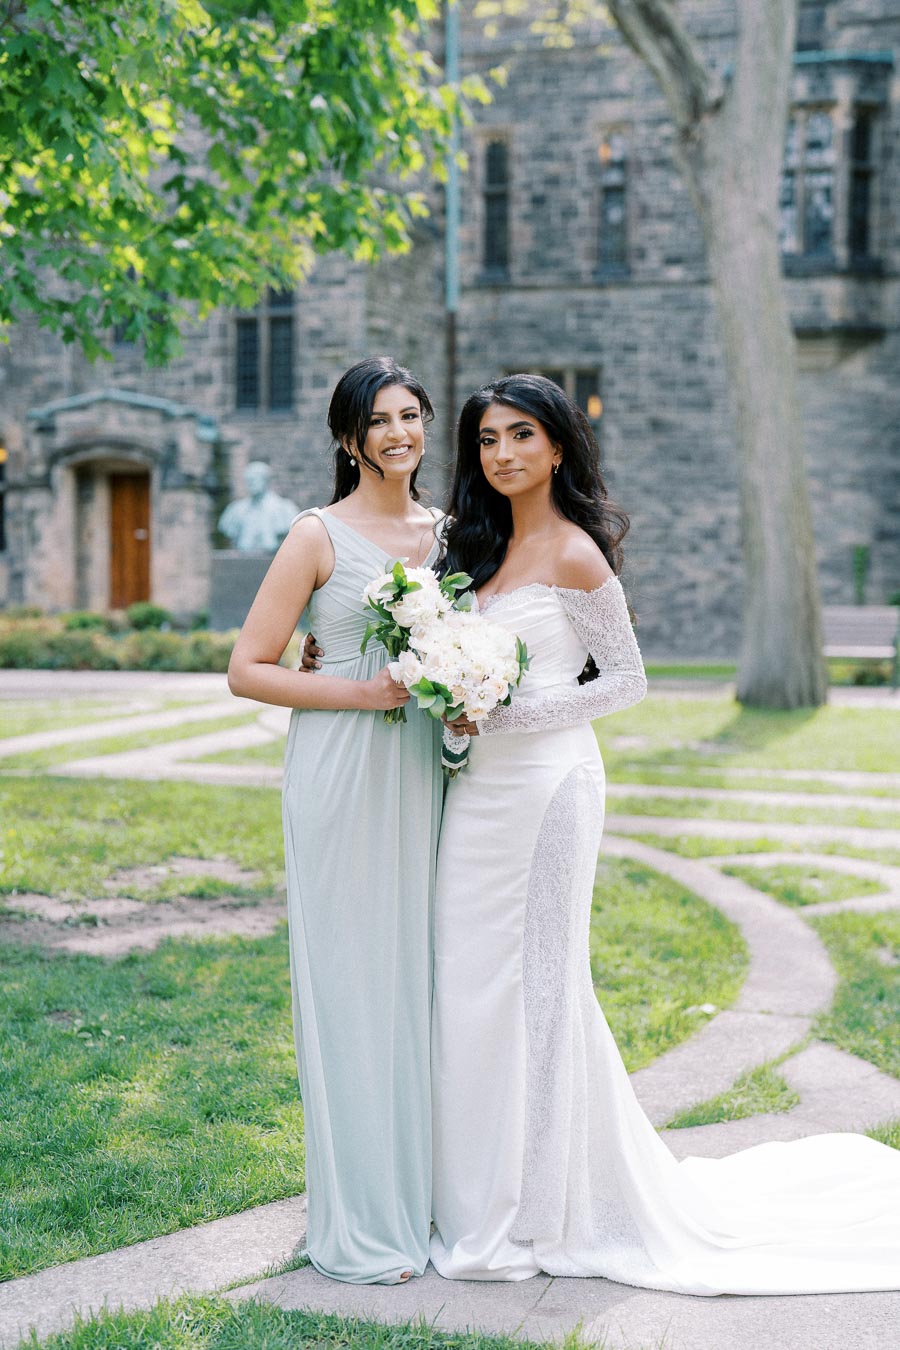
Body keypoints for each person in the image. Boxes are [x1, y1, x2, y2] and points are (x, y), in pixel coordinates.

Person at [429, 373, 900, 1294]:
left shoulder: (575, 554)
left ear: (558, 446)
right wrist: (455, 710)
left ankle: (544, 1204)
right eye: (487, 440)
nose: (503, 454)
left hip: (553, 790)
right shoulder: (471, 553)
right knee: (464, 979)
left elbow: (628, 680)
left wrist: (509, 709)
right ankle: (471, 1186)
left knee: (542, 987)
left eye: (521, 435)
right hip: (478, 800)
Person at [228, 356, 444, 1285]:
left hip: (429, 773)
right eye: (379, 421)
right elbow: (248, 667)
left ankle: (436, 1204)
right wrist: (357, 692)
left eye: (412, 415)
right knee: (356, 984)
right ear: (348, 438)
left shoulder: (452, 530)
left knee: (428, 981)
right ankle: (361, 1224)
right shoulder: (317, 535)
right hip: (344, 767)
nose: (399, 434)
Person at [218, 460, 301, 551]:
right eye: (248, 480)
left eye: (253, 480)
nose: (250, 484)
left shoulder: (285, 508)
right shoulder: (236, 509)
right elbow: (226, 528)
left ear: (266, 480)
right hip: (243, 558)